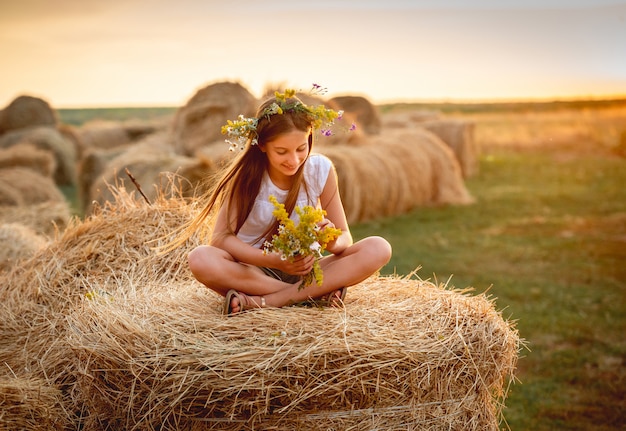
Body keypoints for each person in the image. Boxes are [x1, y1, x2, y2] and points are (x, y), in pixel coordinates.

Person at [181, 89, 392, 315]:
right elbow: (221, 239)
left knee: (378, 248)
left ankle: (267, 301)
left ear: (310, 137)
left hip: (307, 269)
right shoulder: (246, 177)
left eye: (301, 148)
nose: (293, 160)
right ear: (262, 145)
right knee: (200, 258)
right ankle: (311, 296)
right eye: (281, 151)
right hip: (251, 272)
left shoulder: (321, 170)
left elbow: (345, 237)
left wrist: (331, 241)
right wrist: (275, 260)